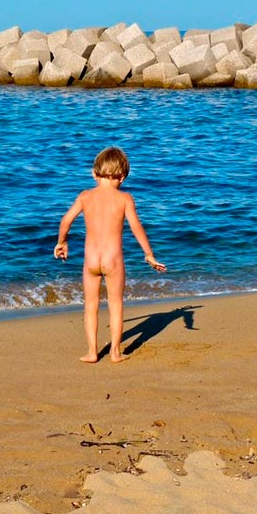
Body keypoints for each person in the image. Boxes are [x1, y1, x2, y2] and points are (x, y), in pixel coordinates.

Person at [54, 147, 166, 363]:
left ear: (94, 174)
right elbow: (136, 228)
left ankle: (92, 352)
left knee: (90, 306)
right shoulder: (124, 198)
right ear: (123, 176)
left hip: (91, 261)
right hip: (113, 261)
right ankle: (115, 352)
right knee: (115, 304)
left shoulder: (85, 196)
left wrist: (62, 242)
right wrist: (149, 254)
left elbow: (66, 220)